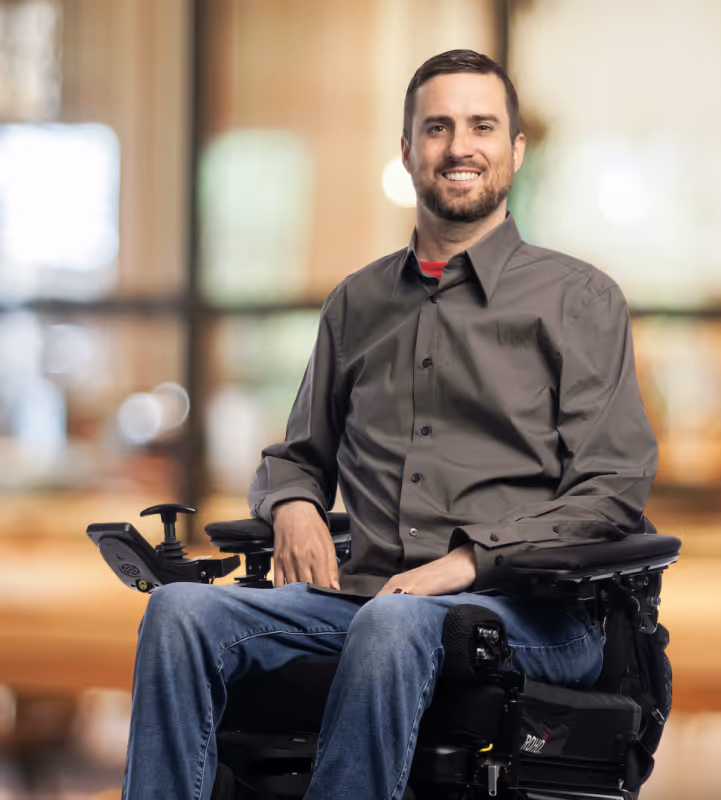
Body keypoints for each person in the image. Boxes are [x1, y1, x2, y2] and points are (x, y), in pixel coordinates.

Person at [122, 49, 658, 800]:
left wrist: (466, 564)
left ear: (514, 149)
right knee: (180, 611)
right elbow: (295, 456)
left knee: (397, 621)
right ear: (408, 151)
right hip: (368, 597)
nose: (459, 146)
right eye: (437, 127)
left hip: (533, 614)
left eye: (481, 126)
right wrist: (296, 503)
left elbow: (611, 491)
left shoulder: (579, 300)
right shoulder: (357, 303)